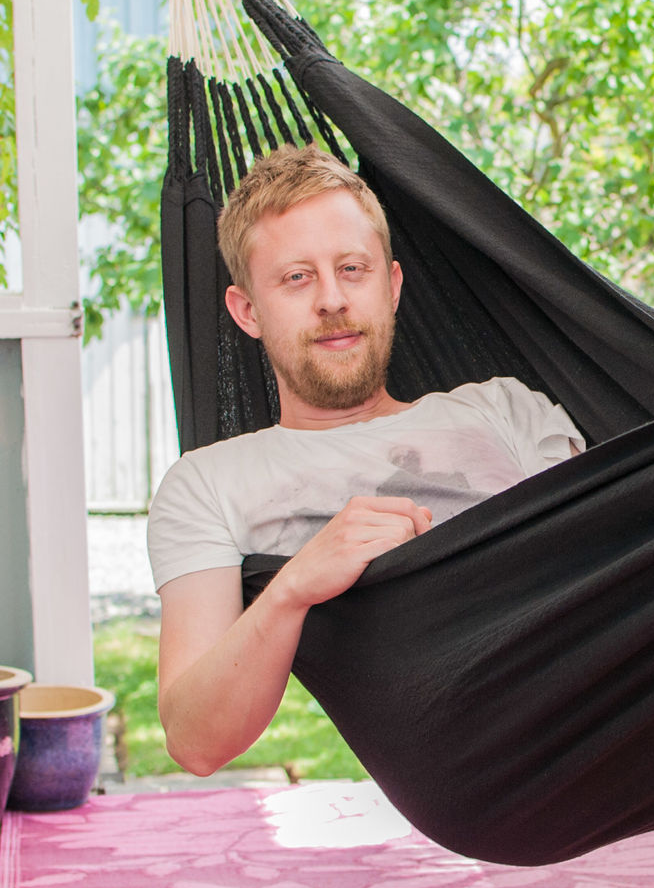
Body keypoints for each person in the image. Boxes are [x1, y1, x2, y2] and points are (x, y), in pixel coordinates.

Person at [148, 145, 583, 776]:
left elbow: (612, 547)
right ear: (247, 311)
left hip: (596, 706)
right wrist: (293, 587)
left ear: (392, 285)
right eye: (297, 277)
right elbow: (194, 742)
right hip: (471, 777)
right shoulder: (207, 484)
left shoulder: (503, 410)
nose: (332, 299)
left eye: (353, 268)